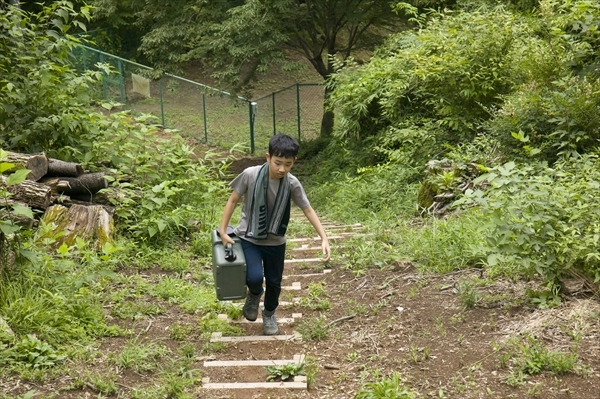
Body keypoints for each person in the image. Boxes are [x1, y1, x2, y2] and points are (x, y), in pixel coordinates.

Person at [219, 133, 331, 335]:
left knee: (274, 283)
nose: (282, 169)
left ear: (294, 162)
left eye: (288, 164)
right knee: (254, 278)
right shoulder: (250, 175)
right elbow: (232, 200)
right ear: (268, 157)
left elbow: (307, 209)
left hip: (275, 242)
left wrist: (324, 237)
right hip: (249, 237)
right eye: (278, 162)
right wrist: (223, 230)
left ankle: (269, 314)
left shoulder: (292, 183)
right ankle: (254, 295)